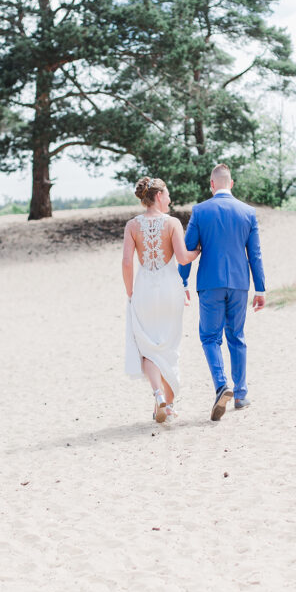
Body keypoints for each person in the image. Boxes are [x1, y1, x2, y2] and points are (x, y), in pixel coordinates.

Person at [178, 164, 266, 421]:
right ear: (232, 183)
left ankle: (221, 385)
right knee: (236, 336)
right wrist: (260, 288)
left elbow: (187, 250)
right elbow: (255, 254)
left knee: (209, 337)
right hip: (239, 283)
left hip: (210, 283)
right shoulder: (247, 212)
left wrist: (182, 282)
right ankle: (240, 394)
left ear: (212, 184)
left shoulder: (200, 211)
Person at [122, 177, 200, 423]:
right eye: (167, 195)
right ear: (158, 196)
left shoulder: (132, 226)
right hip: (170, 290)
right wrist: (198, 249)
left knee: (147, 348)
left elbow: (126, 262)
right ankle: (169, 402)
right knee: (168, 347)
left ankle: (159, 396)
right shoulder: (172, 223)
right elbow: (183, 258)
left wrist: (130, 293)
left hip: (144, 289)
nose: (169, 199)